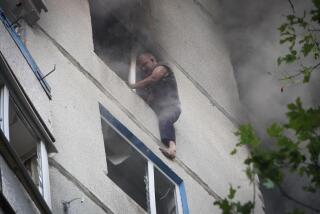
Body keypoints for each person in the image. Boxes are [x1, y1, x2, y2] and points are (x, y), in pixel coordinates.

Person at [128, 53, 181, 159]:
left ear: (152, 60)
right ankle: (171, 146)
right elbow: (151, 99)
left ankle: (172, 149)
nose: (143, 68)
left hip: (172, 107)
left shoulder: (162, 67)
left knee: (165, 117)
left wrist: (132, 86)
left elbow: (153, 78)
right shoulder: (153, 87)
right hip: (163, 108)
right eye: (141, 67)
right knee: (164, 118)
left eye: (145, 64)